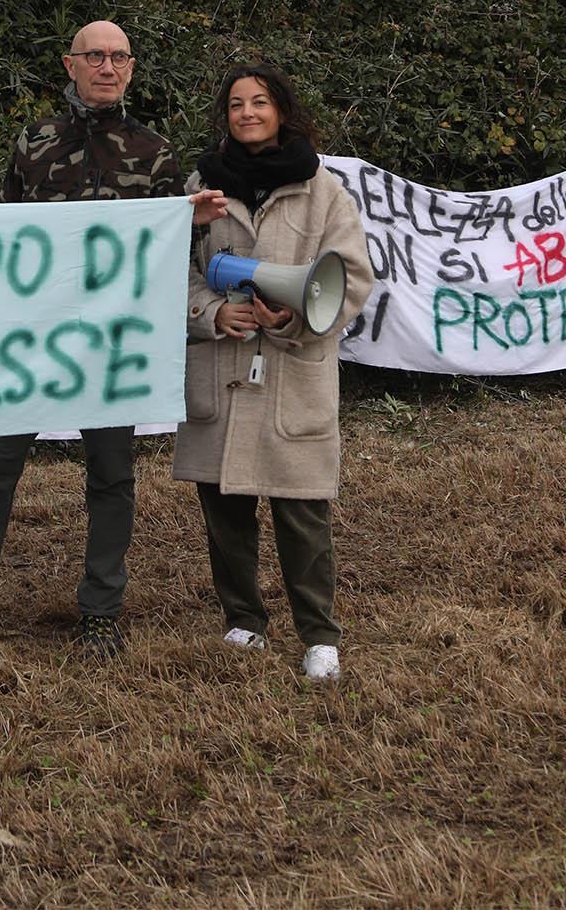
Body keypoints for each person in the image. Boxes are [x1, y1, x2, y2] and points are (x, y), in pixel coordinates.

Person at [0, 19, 211, 657]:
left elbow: (171, 250)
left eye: (118, 57)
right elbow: (2, 238)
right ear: (70, 65)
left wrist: (194, 224)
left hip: (111, 346)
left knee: (112, 476)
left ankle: (102, 607)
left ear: (131, 68)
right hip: (32, 341)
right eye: (94, 57)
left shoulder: (155, 154)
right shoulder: (35, 145)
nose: (107, 67)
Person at [175, 63, 371, 682]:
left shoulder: (324, 191)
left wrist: (290, 318)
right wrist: (209, 311)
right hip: (222, 363)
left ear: (281, 110)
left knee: (302, 510)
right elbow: (168, 265)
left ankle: (319, 633)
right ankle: (244, 618)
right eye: (236, 104)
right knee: (224, 505)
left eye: (259, 102)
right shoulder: (201, 186)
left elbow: (352, 276)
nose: (248, 113)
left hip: (291, 369)